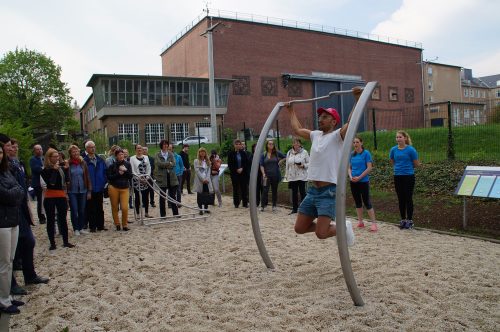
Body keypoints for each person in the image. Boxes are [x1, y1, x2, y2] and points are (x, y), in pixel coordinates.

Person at [285, 87, 362, 245]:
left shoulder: (337, 136)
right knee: (299, 228)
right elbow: (297, 129)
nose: (320, 119)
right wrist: (291, 110)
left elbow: (351, 122)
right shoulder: (315, 135)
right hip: (313, 190)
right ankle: (339, 226)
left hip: (329, 192)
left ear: (334, 121)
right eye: (320, 116)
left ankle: (344, 227)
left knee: (322, 234)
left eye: (325, 117)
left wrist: (357, 99)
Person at [6, 138, 49, 289]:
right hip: (9, 210)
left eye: (14, 146)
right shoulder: (7, 167)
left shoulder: (17, 163)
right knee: (10, 252)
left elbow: (22, 187)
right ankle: (11, 284)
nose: (13, 149)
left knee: (28, 242)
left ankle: (29, 275)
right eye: (10, 146)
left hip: (21, 207)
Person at [0, 141, 26, 315]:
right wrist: (14, 192)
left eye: (0, 152)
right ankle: (3, 300)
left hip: (13, 220)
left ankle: (7, 295)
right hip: (2, 222)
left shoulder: (6, 171)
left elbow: (19, 189)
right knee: (3, 263)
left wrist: (14, 192)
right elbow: (7, 194)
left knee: (9, 261)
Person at [40, 148, 75, 250]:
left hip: (61, 195)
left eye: (57, 156)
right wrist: (54, 171)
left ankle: (66, 241)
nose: (57, 158)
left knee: (63, 219)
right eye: (54, 157)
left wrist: (67, 169)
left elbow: (67, 182)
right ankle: (52, 243)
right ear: (49, 158)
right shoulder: (45, 170)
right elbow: (51, 183)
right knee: (50, 220)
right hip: (50, 196)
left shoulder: (61, 168)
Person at [389, 130, 420, 229]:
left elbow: (416, 164)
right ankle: (403, 220)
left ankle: (410, 221)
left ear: (405, 138)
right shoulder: (393, 149)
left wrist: (407, 168)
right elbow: (392, 161)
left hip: (408, 176)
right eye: (397, 137)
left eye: (400, 137)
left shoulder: (411, 150)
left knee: (408, 198)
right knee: (401, 198)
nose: (398, 139)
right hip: (397, 176)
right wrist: (398, 169)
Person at [348, 136, 377, 232]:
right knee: (357, 202)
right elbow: (349, 168)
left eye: (357, 142)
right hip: (353, 182)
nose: (355, 144)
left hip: (363, 181)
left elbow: (369, 168)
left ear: (361, 143)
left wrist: (359, 177)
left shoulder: (366, 154)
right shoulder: (352, 154)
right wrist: (351, 176)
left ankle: (373, 223)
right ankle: (360, 222)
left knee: (367, 201)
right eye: (354, 142)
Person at [67, 145, 92, 236]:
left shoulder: (83, 163)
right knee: (74, 210)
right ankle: (76, 228)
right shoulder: (68, 164)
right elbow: (66, 178)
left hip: (83, 189)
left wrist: (89, 190)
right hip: (72, 191)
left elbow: (87, 176)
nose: (76, 153)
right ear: (70, 153)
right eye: (73, 152)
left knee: (82, 210)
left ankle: (81, 227)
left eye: (77, 151)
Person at [83, 140, 108, 232]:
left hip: (99, 187)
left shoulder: (100, 160)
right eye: (90, 147)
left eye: (94, 147)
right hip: (90, 188)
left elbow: (105, 171)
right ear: (86, 149)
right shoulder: (84, 161)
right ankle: (92, 226)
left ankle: (100, 225)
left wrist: (104, 181)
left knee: (99, 207)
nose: (93, 148)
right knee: (90, 208)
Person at [106, 149, 133, 231]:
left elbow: (130, 176)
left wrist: (125, 171)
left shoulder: (128, 164)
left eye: (122, 154)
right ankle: (117, 224)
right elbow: (109, 178)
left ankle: (124, 225)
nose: (121, 156)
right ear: (116, 156)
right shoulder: (112, 165)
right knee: (115, 207)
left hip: (124, 188)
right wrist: (118, 173)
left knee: (125, 208)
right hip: (114, 187)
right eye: (119, 154)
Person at [259, 140, 286, 212]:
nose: (271, 145)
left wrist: (281, 161)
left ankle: (274, 206)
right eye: (269, 144)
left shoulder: (277, 153)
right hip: (266, 176)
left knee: (274, 191)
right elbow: (261, 165)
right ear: (267, 145)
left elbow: (285, 156)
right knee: (265, 191)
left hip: (275, 175)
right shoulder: (263, 154)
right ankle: (262, 206)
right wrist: (263, 173)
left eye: (272, 144)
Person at [154, 140, 179, 217]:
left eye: (166, 144)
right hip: (162, 179)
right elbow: (159, 164)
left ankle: (175, 213)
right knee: (162, 198)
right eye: (164, 144)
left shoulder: (171, 154)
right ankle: (163, 215)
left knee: (173, 197)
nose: (165, 146)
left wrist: (166, 164)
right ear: (161, 145)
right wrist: (168, 163)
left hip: (171, 178)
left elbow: (174, 164)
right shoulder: (157, 154)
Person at [285, 138, 309, 215]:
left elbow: (309, 163)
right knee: (294, 193)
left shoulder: (304, 152)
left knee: (302, 192)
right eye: (294, 143)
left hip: (301, 176)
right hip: (292, 176)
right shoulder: (289, 153)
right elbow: (287, 165)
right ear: (293, 144)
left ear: (300, 144)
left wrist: (303, 165)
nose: (296, 144)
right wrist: (286, 175)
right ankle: (294, 209)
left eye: (297, 143)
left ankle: (303, 209)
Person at [129, 144, 152, 218]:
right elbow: (132, 170)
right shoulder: (132, 158)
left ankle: (146, 212)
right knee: (138, 198)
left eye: (140, 148)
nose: (139, 149)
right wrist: (139, 178)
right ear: (135, 149)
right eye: (138, 148)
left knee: (146, 197)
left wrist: (147, 177)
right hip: (137, 181)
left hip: (146, 180)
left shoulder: (146, 157)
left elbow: (149, 167)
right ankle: (138, 214)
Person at [227, 139, 250, 208]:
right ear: (234, 145)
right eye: (236, 144)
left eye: (239, 144)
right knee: (236, 189)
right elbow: (230, 164)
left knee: (244, 188)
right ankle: (236, 203)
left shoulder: (243, 153)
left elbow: (246, 163)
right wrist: (236, 169)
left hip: (243, 174)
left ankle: (245, 203)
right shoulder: (231, 154)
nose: (238, 145)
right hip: (235, 174)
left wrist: (242, 168)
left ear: (241, 145)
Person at [193, 147, 213, 215]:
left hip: (206, 180)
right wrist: (202, 179)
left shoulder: (208, 161)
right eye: (201, 152)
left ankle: (206, 208)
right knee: (200, 194)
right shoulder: (196, 161)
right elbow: (197, 171)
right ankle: (200, 209)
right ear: (199, 153)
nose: (202, 153)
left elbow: (209, 171)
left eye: (203, 152)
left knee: (206, 193)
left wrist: (206, 179)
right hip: (200, 180)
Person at [29, 144, 46, 224]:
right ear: (34, 151)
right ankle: (41, 217)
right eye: (38, 149)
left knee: (45, 200)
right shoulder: (33, 159)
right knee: (40, 200)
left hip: (45, 182)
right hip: (37, 183)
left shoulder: (43, 158)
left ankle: (45, 214)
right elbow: (37, 169)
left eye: (40, 149)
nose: (40, 151)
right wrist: (43, 168)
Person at [250, 144, 263, 208]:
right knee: (257, 188)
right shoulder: (251, 156)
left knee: (263, 188)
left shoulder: (262, 155)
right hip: (255, 174)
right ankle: (257, 202)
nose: (256, 149)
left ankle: (264, 202)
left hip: (262, 173)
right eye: (255, 147)